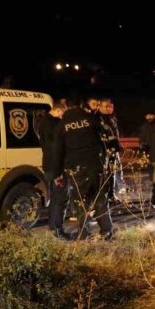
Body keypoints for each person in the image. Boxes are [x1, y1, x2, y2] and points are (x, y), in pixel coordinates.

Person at [51, 98, 114, 240]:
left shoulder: (62, 125)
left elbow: (57, 151)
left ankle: (84, 234)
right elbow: (103, 139)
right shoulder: (90, 118)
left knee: (81, 201)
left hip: (76, 168)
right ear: (80, 106)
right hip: (95, 165)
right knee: (99, 198)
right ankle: (106, 231)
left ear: (67, 108)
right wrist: (104, 160)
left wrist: (57, 174)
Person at [37, 101, 67, 239]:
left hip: (49, 165)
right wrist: (58, 173)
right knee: (59, 198)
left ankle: (53, 226)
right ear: (59, 111)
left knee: (55, 197)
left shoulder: (44, 122)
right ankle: (57, 228)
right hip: (55, 167)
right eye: (63, 114)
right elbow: (54, 149)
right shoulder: (53, 124)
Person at [98, 98, 122, 203]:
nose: (109, 108)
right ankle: (103, 196)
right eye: (106, 106)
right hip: (103, 151)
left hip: (113, 150)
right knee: (104, 174)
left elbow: (115, 134)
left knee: (112, 173)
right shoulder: (97, 119)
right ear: (100, 107)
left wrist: (118, 145)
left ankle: (111, 194)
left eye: (111, 106)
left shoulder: (112, 118)